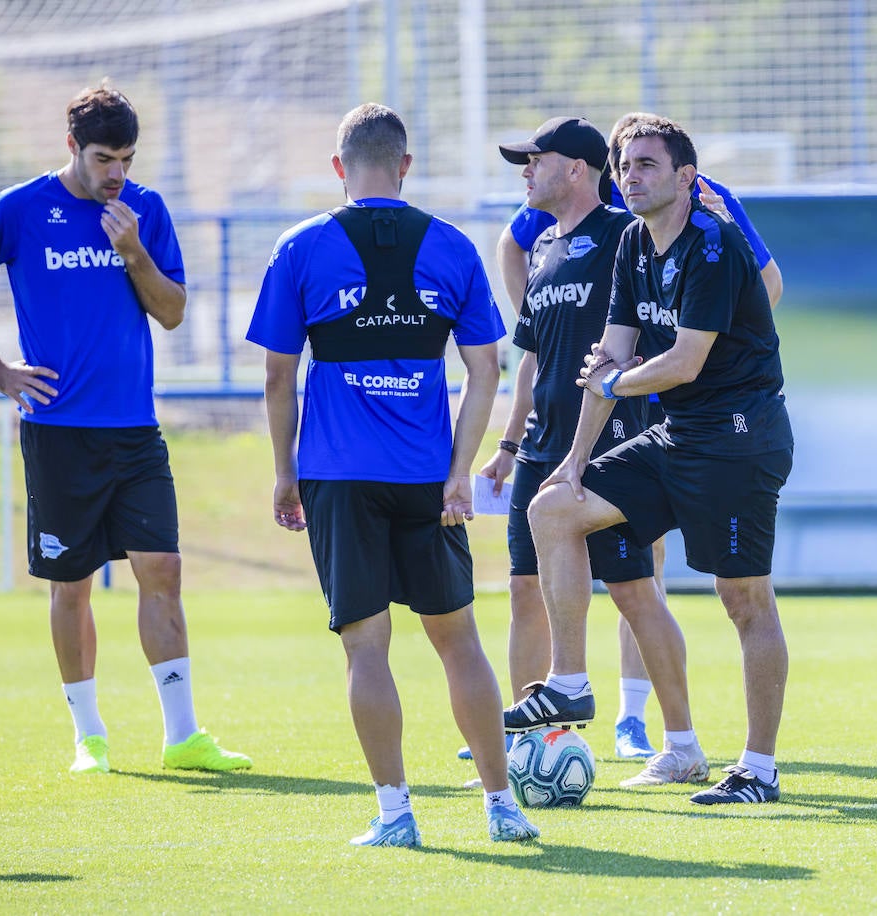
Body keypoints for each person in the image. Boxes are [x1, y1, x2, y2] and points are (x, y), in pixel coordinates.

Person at [0, 83, 250, 776]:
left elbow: (172, 313)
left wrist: (134, 252)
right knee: (70, 586)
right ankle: (90, 735)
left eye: (127, 159)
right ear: (72, 145)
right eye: (105, 157)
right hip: (58, 433)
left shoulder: (146, 211)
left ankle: (184, 734)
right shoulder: (19, 209)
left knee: (162, 572)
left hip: (136, 431)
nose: (117, 174)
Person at [246, 103, 538, 846]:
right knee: (460, 642)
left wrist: (284, 473)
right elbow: (486, 369)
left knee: (365, 649)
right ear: (404, 165)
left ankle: (395, 814)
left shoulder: (300, 246)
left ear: (339, 166)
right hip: (426, 480)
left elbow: (279, 380)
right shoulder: (451, 245)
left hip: (337, 478)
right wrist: (460, 470)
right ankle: (503, 808)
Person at [502, 115, 793, 806]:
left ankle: (759, 768)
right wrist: (573, 461)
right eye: (624, 165)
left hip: (738, 438)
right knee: (553, 507)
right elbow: (611, 353)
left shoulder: (714, 245)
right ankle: (569, 682)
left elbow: (683, 363)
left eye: (647, 165)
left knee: (743, 599)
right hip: (677, 435)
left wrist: (613, 379)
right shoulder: (632, 242)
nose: (631, 176)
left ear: (687, 179)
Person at [475, 116, 706, 788]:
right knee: (524, 592)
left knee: (635, 593)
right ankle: (531, 745)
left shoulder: (622, 236)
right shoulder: (544, 247)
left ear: (576, 168)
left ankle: (682, 745)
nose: (525, 171)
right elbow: (533, 358)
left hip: (608, 441)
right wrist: (510, 443)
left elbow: (650, 328)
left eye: (534, 160)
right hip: (544, 446)